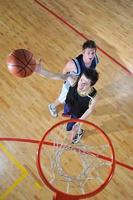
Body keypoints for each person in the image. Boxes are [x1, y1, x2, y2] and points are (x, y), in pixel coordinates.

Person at [35, 40, 99, 117]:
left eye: (93, 53)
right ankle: (52, 106)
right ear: (83, 52)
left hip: (81, 87)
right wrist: (40, 71)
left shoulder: (95, 59)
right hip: (70, 85)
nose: (91, 55)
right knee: (62, 99)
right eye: (88, 53)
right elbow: (59, 74)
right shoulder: (73, 64)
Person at [65, 68, 99, 144]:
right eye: (81, 80)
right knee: (67, 111)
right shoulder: (74, 81)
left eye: (85, 83)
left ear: (91, 85)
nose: (80, 84)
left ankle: (79, 132)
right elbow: (55, 76)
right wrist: (39, 70)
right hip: (70, 104)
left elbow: (90, 110)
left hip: (77, 114)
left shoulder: (93, 97)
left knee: (70, 128)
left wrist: (78, 122)